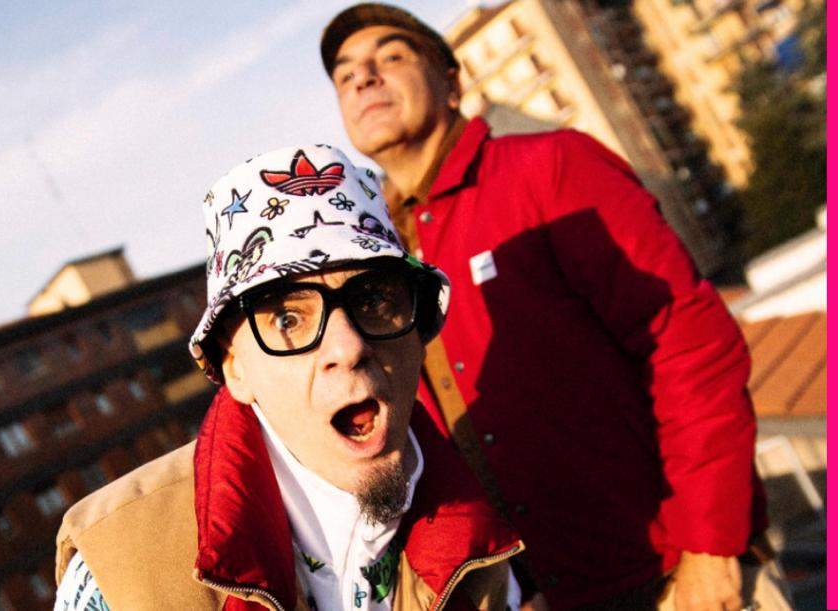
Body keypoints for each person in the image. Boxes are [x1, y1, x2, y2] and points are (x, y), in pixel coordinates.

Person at [319, 4, 789, 611]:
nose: (363, 77)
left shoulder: (550, 167)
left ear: (452, 83)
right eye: (345, 73)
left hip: (676, 578)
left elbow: (688, 346)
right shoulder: (380, 258)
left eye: (390, 57)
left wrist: (710, 545)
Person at [53, 145, 526, 610]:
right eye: (288, 319)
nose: (347, 347)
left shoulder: (476, 537)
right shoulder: (120, 576)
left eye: (374, 301)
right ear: (235, 368)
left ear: (419, 332)